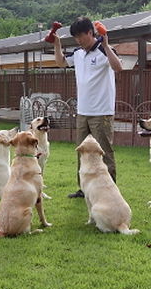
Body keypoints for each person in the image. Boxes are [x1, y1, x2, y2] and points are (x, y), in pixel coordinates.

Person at [52, 16, 123, 198]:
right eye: (75, 37)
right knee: (82, 151)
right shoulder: (78, 53)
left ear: (90, 33)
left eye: (80, 36)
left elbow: (118, 68)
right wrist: (57, 43)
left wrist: (106, 45)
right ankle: (83, 188)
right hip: (83, 111)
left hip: (102, 112)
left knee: (104, 152)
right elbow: (60, 62)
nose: (78, 40)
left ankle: (110, 188)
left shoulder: (104, 51)